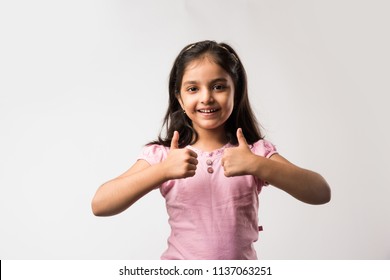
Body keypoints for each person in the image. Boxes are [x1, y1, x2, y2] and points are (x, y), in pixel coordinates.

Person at [91, 40, 331, 260]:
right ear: (180, 98)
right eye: (193, 89)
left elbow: (320, 192)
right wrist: (163, 171)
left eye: (218, 86)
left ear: (236, 92)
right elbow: (100, 204)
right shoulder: (164, 156)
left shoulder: (254, 152)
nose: (206, 98)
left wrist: (257, 165)